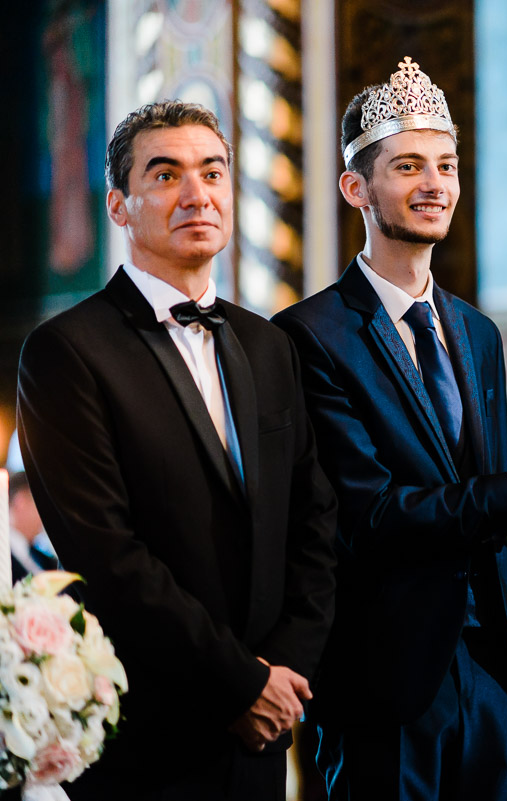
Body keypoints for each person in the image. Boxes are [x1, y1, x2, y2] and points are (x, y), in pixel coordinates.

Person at [273, 58, 507, 800]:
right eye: (408, 166)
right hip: (382, 686)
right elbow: (368, 516)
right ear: (356, 188)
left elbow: (493, 544)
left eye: (447, 166)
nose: (434, 184)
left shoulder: (477, 333)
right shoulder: (310, 336)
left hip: (489, 681)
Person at [16, 101, 338, 799]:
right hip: (150, 736)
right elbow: (106, 554)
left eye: (212, 172)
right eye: (166, 175)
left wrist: (284, 673)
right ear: (119, 205)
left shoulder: (268, 344)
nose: (197, 194)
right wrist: (240, 683)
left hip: (263, 733)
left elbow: (314, 521)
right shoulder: (66, 351)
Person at [7, 471, 57, 582]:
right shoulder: (4, 553)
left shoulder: (45, 559)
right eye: (42, 504)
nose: (47, 514)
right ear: (21, 502)